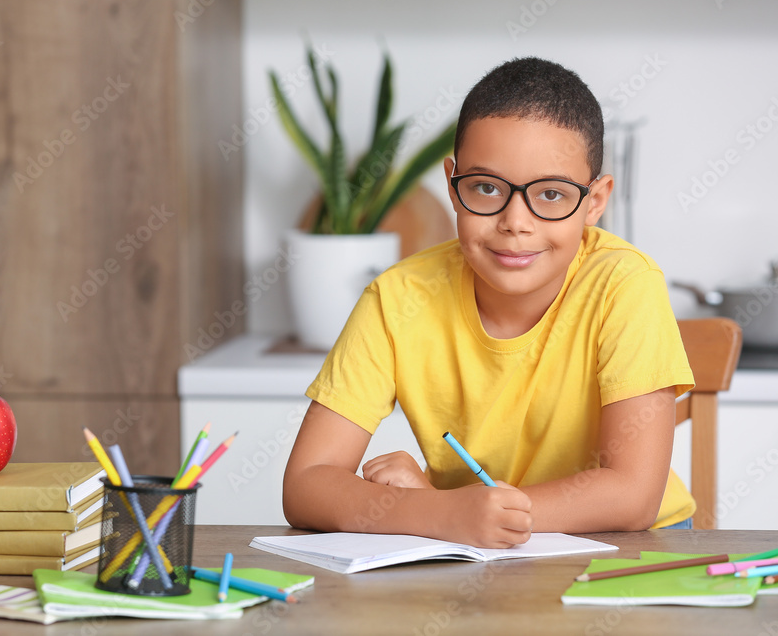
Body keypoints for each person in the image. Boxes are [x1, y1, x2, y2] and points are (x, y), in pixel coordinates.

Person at [283, 57, 695, 548]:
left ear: (595, 201)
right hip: (476, 551)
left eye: (551, 195)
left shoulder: (625, 283)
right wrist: (438, 510)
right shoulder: (398, 298)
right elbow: (307, 483)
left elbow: (632, 495)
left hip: (626, 547)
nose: (515, 222)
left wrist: (453, 511)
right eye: (485, 188)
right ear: (453, 186)